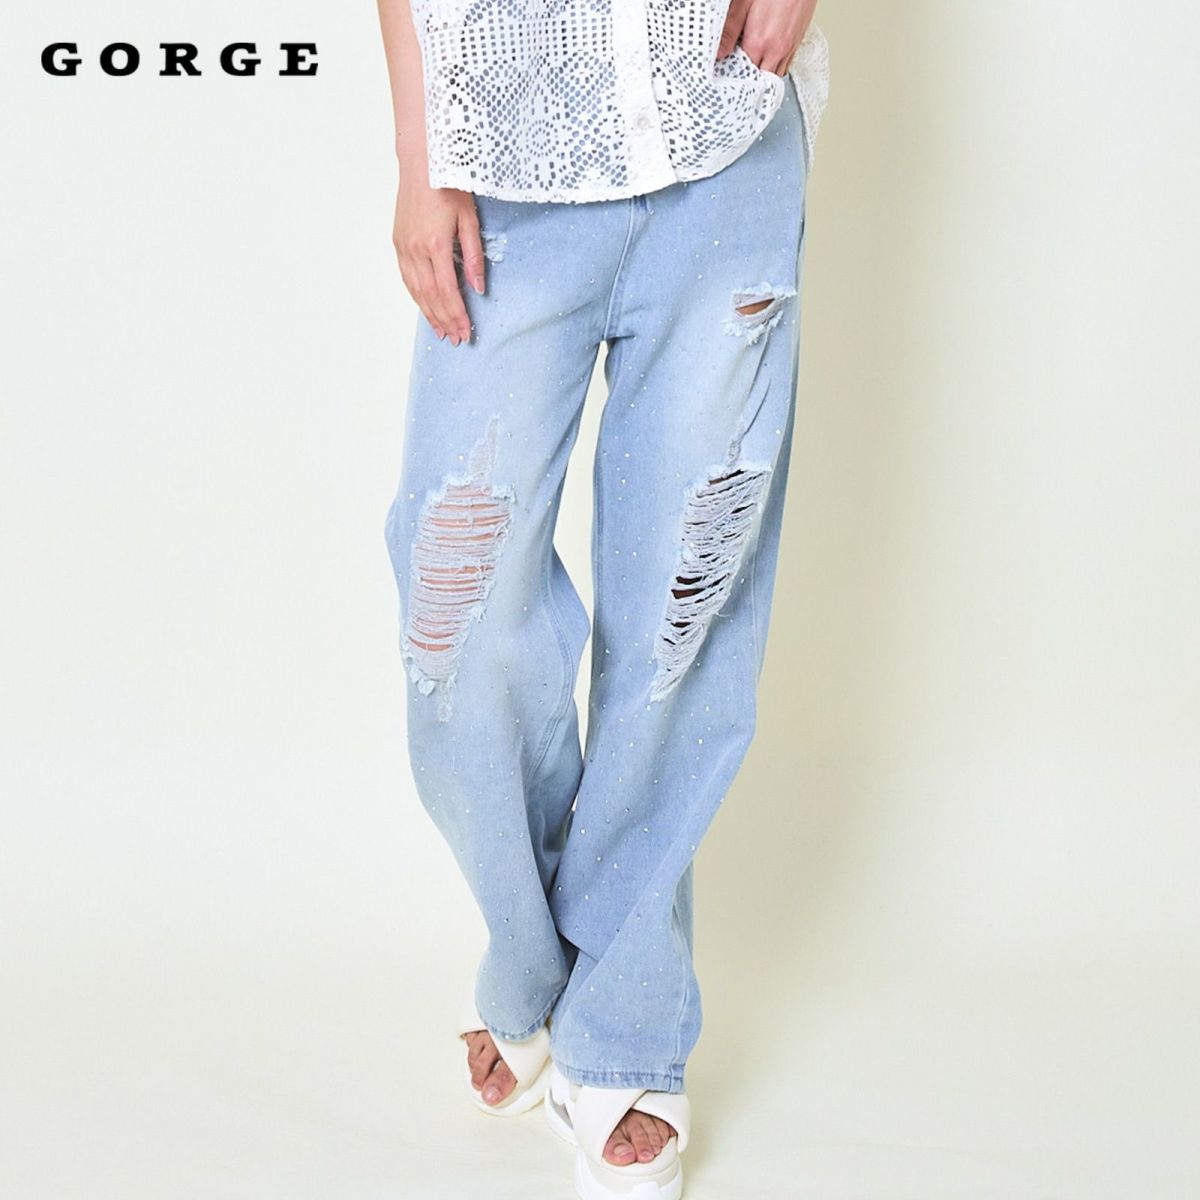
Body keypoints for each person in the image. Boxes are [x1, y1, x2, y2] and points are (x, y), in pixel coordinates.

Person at [377, 1, 829, 1195]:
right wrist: (422, 157)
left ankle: (624, 1020)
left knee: (685, 611)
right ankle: (533, 967)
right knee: (458, 616)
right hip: (501, 162)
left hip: (726, 137)